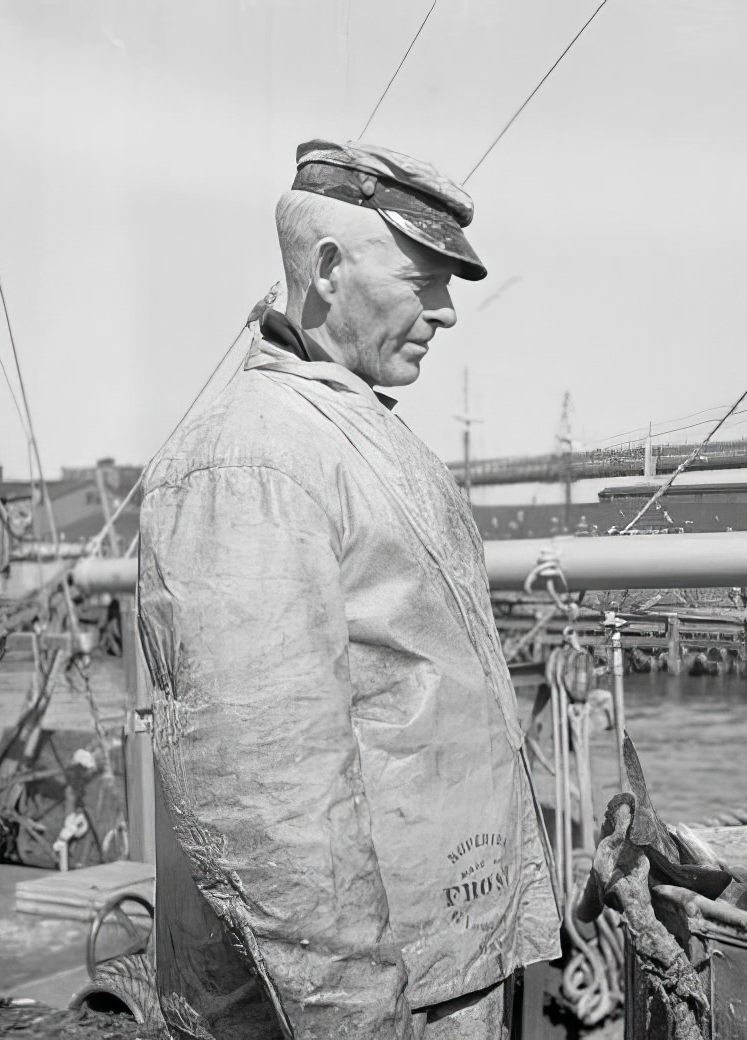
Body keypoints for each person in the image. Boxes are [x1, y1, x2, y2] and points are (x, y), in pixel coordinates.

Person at [138, 139, 561, 1040]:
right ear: (328, 269)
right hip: (353, 1006)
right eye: (425, 279)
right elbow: (265, 799)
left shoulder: (351, 432)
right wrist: (357, 1020)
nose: (446, 312)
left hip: (436, 973)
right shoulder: (252, 459)